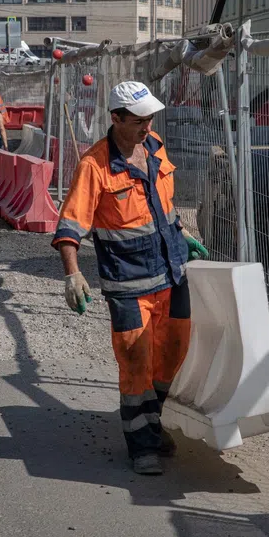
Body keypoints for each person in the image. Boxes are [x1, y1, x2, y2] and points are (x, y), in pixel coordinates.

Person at [52, 81, 209, 476]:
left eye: (150, 118)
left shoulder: (155, 146)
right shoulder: (95, 166)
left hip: (172, 275)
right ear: (116, 118)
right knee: (136, 363)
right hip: (129, 286)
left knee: (172, 357)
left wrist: (181, 233)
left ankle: (153, 425)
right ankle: (142, 445)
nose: (146, 126)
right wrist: (72, 275)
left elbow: (164, 205)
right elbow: (69, 228)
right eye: (138, 120)